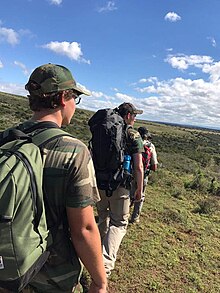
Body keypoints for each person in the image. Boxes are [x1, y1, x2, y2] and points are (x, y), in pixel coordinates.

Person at [0, 64, 107, 293]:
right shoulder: (73, 151)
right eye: (74, 99)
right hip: (54, 277)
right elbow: (84, 230)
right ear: (62, 98)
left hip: (7, 270)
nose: (74, 107)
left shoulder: (5, 140)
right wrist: (99, 282)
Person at [96, 102, 144, 277]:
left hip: (99, 181)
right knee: (119, 223)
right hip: (119, 185)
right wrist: (139, 188)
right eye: (135, 115)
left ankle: (95, 252)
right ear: (129, 116)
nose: (135, 118)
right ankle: (104, 267)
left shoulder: (104, 128)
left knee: (103, 217)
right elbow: (138, 166)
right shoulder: (132, 133)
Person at [130, 126, 158, 223]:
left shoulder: (131, 142)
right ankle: (135, 217)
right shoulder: (150, 146)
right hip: (143, 175)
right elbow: (154, 166)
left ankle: (123, 212)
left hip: (129, 173)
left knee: (127, 194)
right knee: (140, 196)